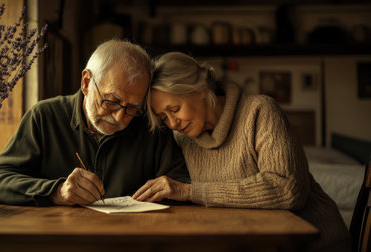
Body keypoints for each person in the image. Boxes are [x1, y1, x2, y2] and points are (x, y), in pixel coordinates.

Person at [133, 52, 351, 251]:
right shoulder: (182, 138)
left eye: (174, 109)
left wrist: (191, 191)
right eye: (163, 117)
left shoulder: (260, 111)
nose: (172, 123)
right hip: (253, 241)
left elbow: (287, 189)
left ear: (199, 89)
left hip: (316, 243)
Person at [0, 40, 190, 206]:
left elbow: (180, 184)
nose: (120, 117)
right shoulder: (44, 117)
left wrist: (176, 189)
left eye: (132, 108)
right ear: (86, 82)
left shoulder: (151, 126)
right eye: (111, 101)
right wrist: (57, 191)